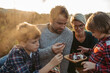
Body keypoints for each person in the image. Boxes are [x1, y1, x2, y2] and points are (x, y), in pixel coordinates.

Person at [0, 6, 73, 73]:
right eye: (59, 23)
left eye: (65, 24)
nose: (63, 27)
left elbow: (36, 67)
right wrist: (51, 61)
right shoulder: (38, 30)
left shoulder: (34, 52)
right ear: (50, 19)